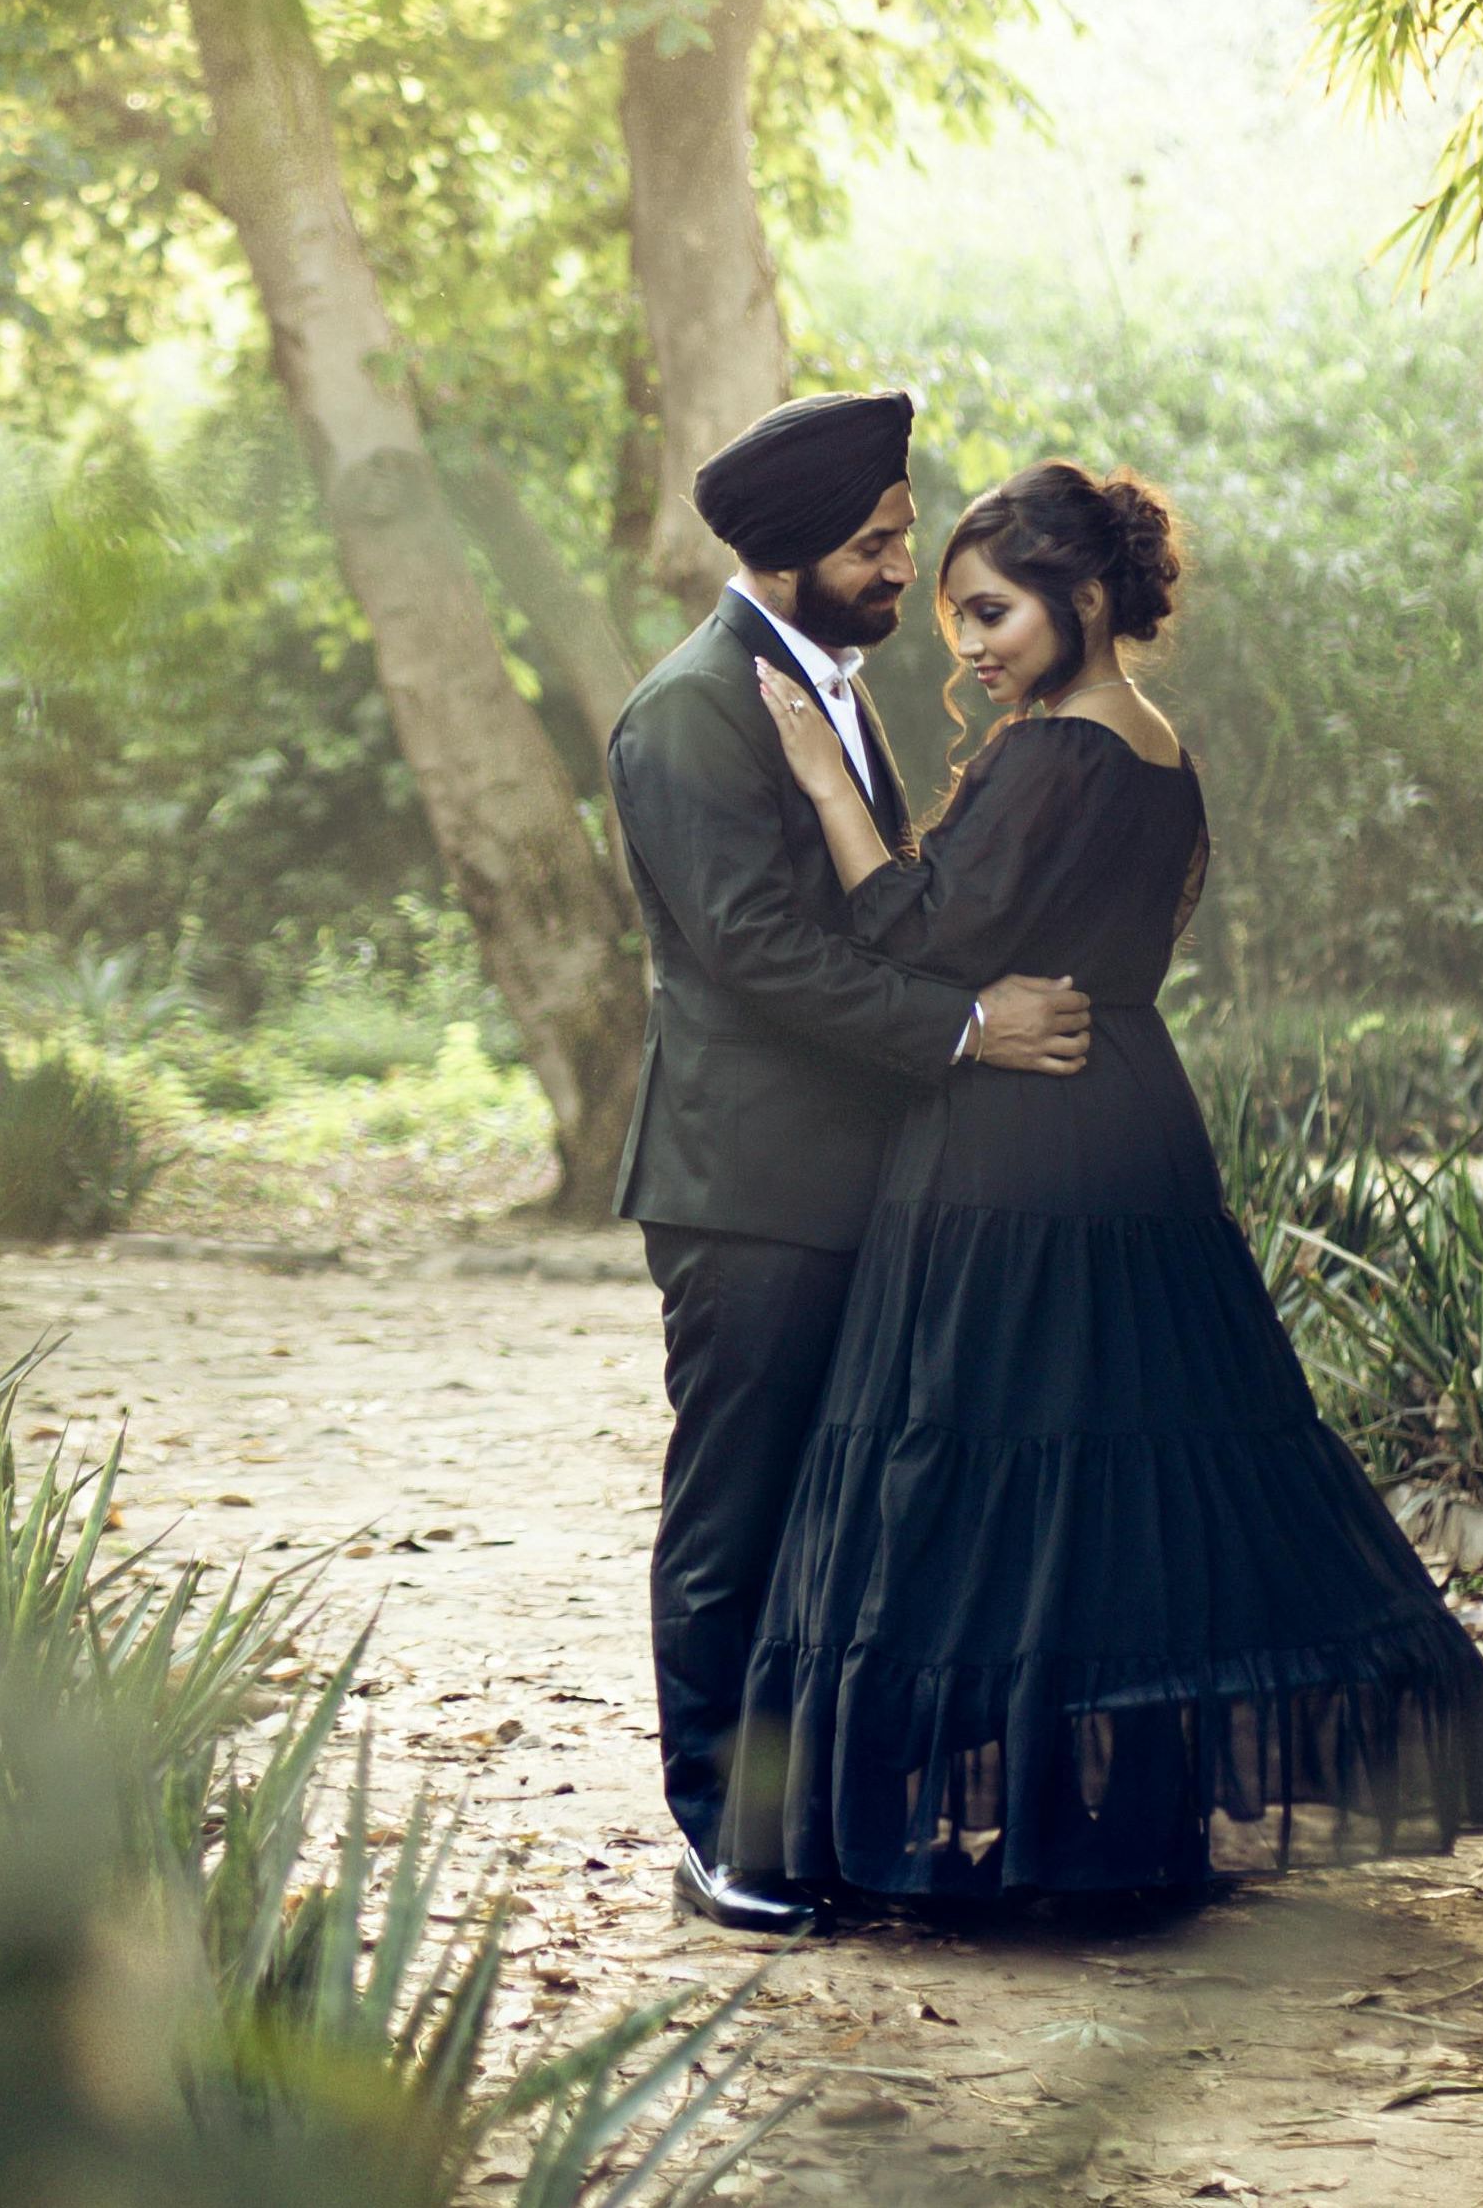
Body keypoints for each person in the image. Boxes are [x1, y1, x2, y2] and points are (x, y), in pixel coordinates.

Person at [724, 461, 1483, 1908]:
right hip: (1134, 1116)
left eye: (995, 612)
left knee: (999, 1445)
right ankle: (1115, 1804)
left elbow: (911, 928)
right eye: (959, 614)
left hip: (1023, 1138)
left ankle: (1034, 1819)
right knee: (1118, 1454)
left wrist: (830, 780)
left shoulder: (1055, 757)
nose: (967, 643)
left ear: (1083, 599)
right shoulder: (1157, 749)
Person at [604, 390, 1095, 1937]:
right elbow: (757, 952)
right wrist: (969, 1029)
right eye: (880, 543)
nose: (905, 567)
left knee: (838, 1517)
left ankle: (818, 1814)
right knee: (737, 1513)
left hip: (852, 1180)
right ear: (801, 549)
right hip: (747, 1194)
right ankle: (717, 1832)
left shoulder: (830, 686)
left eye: (898, 534)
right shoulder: (692, 708)